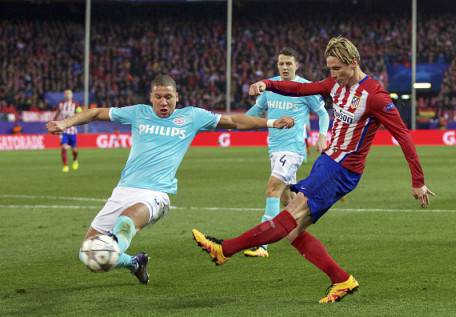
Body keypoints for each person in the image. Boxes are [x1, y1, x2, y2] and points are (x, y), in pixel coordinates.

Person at [192, 36, 435, 303]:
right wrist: (268, 83)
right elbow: (297, 90)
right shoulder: (334, 85)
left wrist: (418, 181)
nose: (332, 75)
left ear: (353, 63)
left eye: (337, 69)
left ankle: (225, 249)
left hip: (342, 169)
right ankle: (341, 279)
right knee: (294, 231)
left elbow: (403, 135)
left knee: (290, 216)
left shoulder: (375, 96)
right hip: (328, 162)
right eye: (329, 68)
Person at [46, 74, 294, 284]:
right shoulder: (138, 113)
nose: (163, 102)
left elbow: (233, 121)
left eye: (168, 97)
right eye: (158, 97)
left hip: (156, 195)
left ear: (177, 97)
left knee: (128, 219)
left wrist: (272, 122)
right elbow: (97, 112)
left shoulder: (192, 117)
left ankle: (115, 246)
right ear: (151, 98)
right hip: (122, 190)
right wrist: (65, 123)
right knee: (85, 253)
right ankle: (134, 262)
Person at [243, 48, 329, 258]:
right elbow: (255, 112)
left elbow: (322, 113)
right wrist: (232, 123)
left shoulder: (305, 87)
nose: (284, 67)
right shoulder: (270, 87)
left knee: (272, 189)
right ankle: (301, 233)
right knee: (287, 200)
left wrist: (322, 135)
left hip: (293, 150)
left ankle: (263, 245)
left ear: (296, 65)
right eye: (281, 64)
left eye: (288, 64)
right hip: (274, 148)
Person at [54, 89, 82, 172]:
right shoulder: (61, 104)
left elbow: (81, 113)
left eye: (69, 94)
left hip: (72, 130)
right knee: (64, 147)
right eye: (66, 94)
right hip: (63, 130)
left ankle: (75, 160)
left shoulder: (75, 104)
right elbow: (57, 114)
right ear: (64, 95)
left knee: (75, 150)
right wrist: (54, 123)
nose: (67, 95)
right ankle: (65, 166)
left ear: (71, 95)